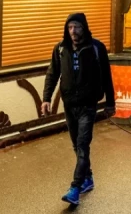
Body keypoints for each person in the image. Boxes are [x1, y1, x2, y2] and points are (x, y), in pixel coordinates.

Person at [42, 13, 116, 206]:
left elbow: (107, 76)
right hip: (69, 105)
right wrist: (46, 98)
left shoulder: (96, 48)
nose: (73, 31)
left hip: (88, 105)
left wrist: (111, 103)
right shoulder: (60, 49)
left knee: (82, 145)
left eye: (77, 27)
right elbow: (52, 74)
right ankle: (88, 178)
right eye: (70, 27)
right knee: (77, 146)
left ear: (84, 28)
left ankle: (75, 188)